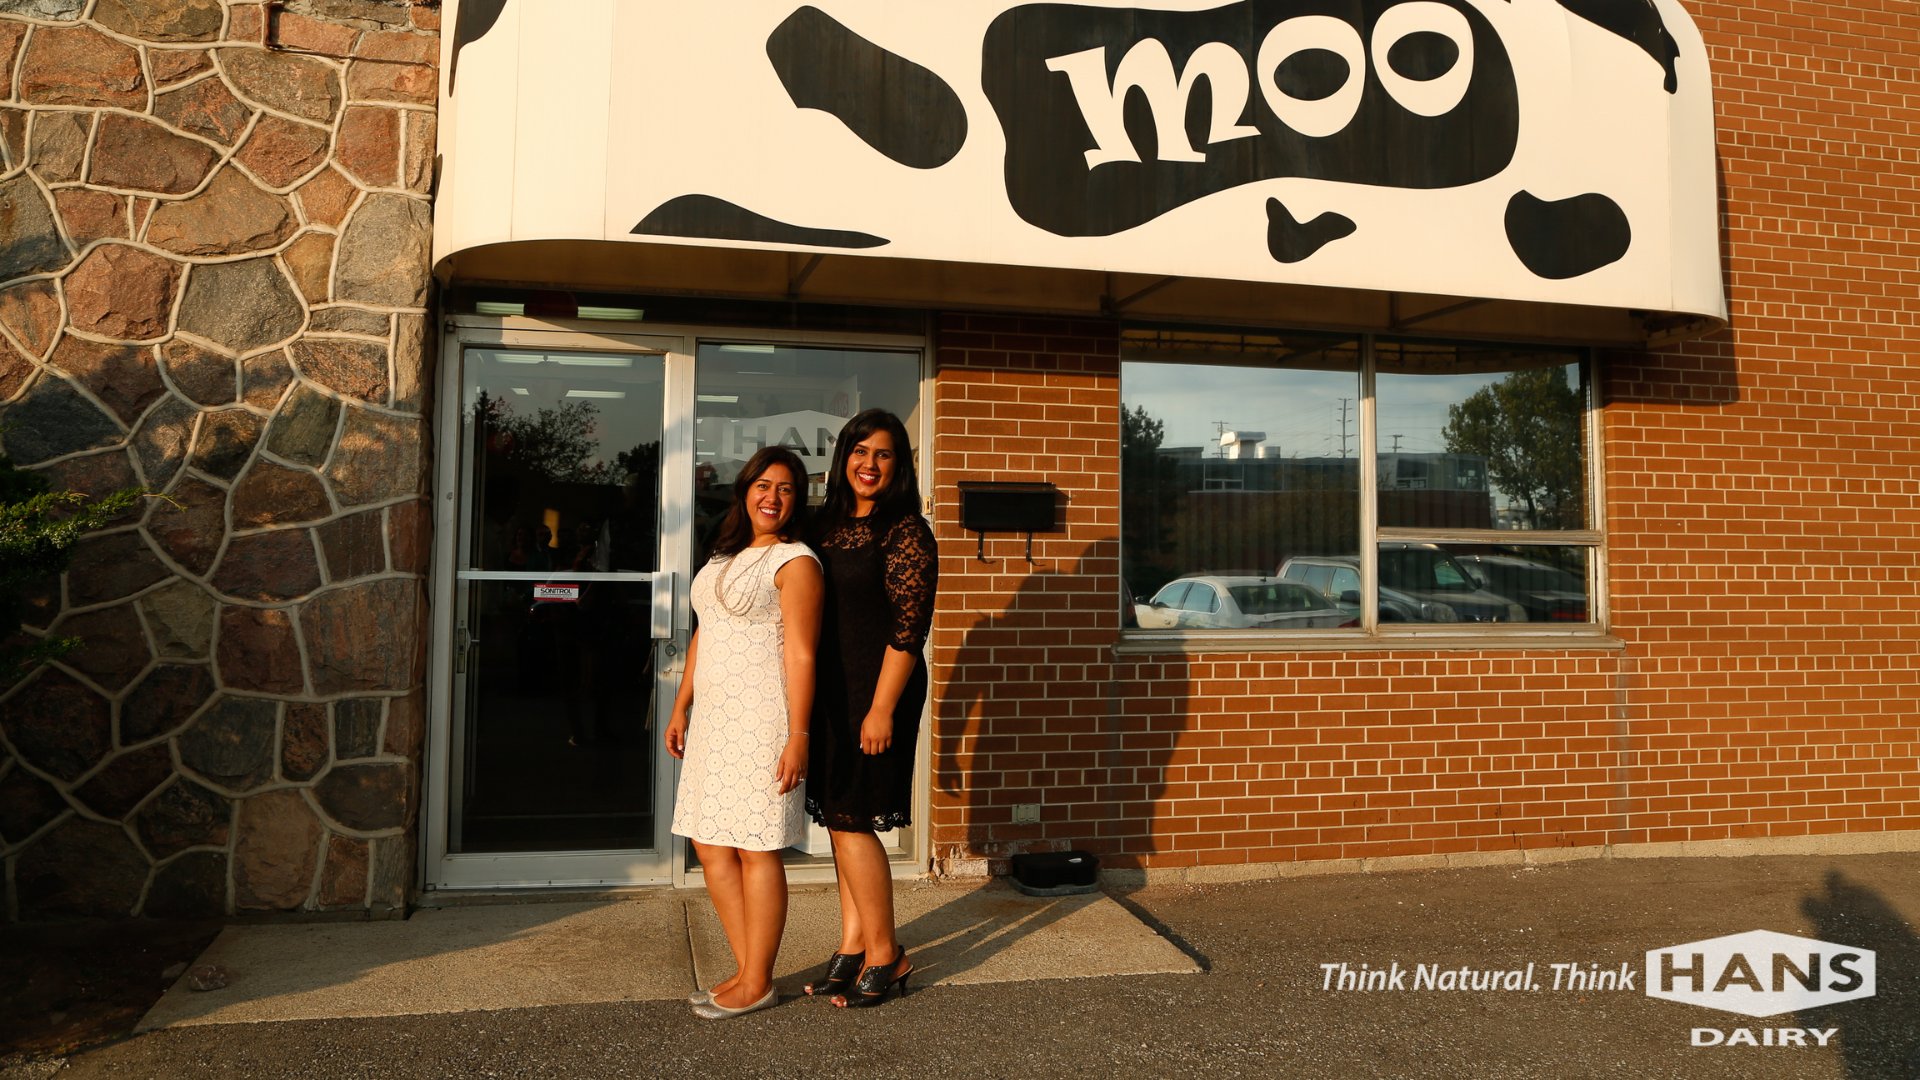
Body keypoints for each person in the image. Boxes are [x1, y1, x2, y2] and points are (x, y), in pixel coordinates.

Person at [665, 446, 823, 1019]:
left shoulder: (796, 561)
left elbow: (803, 655)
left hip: (764, 719)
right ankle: (748, 968)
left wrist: (798, 735)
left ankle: (756, 978)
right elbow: (707, 631)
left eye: (784, 488)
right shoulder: (725, 553)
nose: (772, 497)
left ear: (796, 500)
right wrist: (682, 703)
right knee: (711, 844)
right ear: (745, 490)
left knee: (757, 849)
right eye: (763, 485)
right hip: (714, 718)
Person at [802, 409, 937, 1009]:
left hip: (879, 691)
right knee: (838, 818)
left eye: (883, 454)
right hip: (832, 693)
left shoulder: (905, 530)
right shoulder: (824, 525)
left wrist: (881, 709)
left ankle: (888, 953)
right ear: (843, 458)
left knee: (853, 818)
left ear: (899, 465)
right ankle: (854, 942)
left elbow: (910, 631)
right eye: (860, 451)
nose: (869, 464)